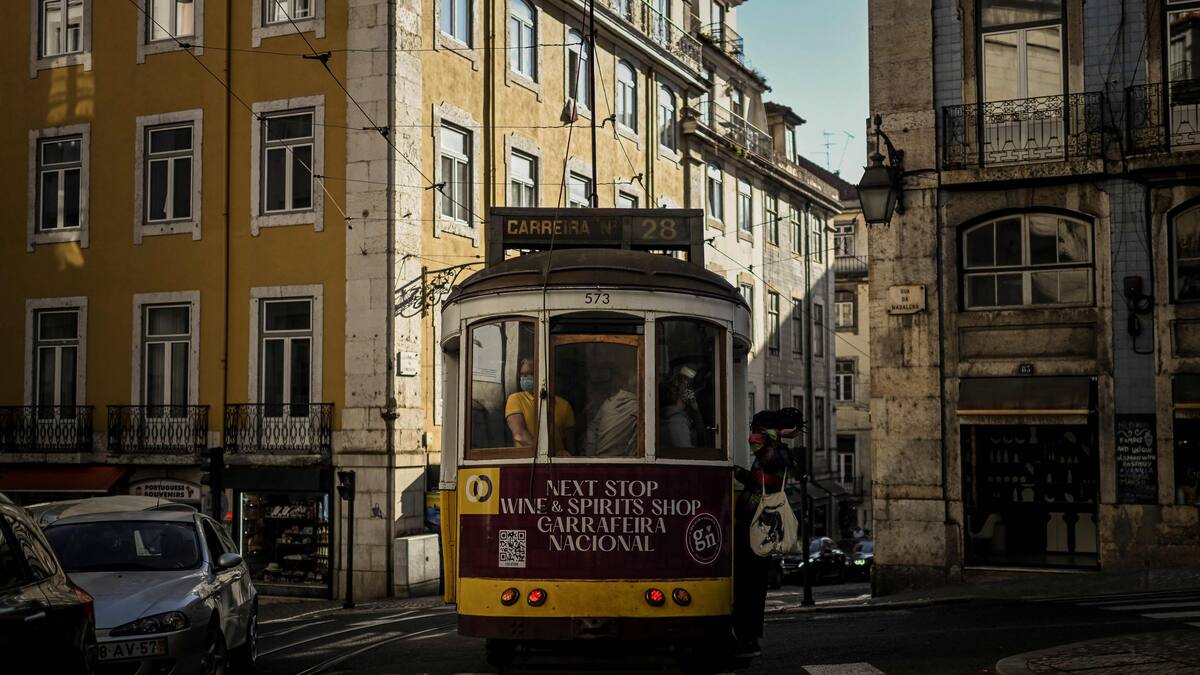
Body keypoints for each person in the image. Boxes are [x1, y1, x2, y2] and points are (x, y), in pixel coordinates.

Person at [732, 407, 805, 658]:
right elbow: (759, 479)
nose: (754, 432)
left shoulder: (777, 453)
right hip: (756, 522)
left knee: (749, 584)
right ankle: (747, 635)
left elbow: (756, 440)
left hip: (756, 523)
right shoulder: (776, 452)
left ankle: (747, 636)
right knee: (751, 584)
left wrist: (779, 433)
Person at [505, 358, 576, 455]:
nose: (524, 378)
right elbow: (519, 435)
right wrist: (547, 453)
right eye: (522, 374)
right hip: (528, 461)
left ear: (541, 374)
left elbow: (570, 444)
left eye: (529, 374)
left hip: (557, 461)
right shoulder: (515, 399)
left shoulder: (564, 405)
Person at [585, 367, 639, 457]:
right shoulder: (637, 408)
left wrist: (591, 456)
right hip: (618, 461)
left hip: (600, 458)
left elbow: (592, 430)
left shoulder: (607, 404)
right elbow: (634, 444)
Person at [660, 365, 703, 448]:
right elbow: (687, 451)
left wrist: (696, 411)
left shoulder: (675, 416)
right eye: (687, 388)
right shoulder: (677, 421)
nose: (691, 392)